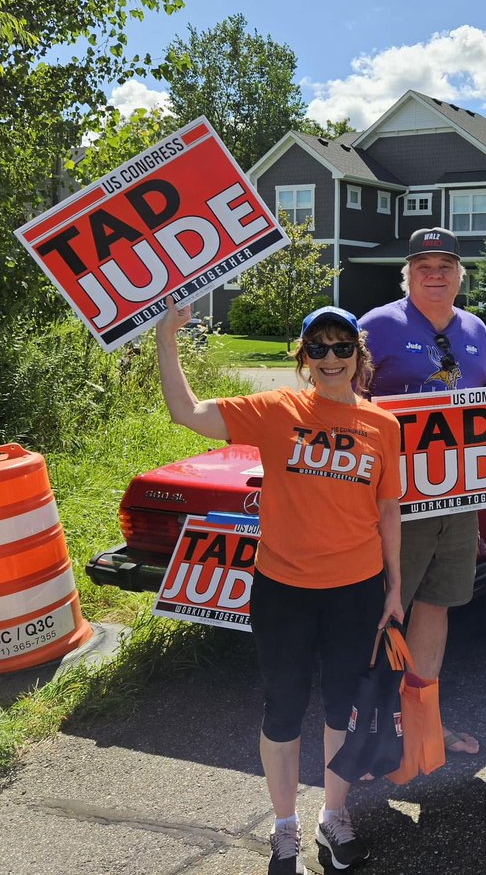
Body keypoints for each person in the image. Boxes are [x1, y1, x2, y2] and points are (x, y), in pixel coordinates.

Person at [155, 300, 403, 872]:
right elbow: (187, 412)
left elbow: (387, 509)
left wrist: (394, 587)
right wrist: (167, 338)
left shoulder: (382, 425)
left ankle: (334, 816)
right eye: (318, 347)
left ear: (358, 356)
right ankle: (285, 823)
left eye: (343, 346)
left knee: (343, 709)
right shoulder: (275, 409)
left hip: (356, 590)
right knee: (283, 709)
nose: (331, 357)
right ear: (303, 357)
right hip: (283, 588)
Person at [359, 226, 486, 758]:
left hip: (459, 502)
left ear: (460, 274)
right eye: (423, 265)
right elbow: (339, 403)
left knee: (436, 606)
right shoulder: (375, 326)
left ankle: (423, 721)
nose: (435, 274)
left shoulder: (476, 329)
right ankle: (368, 730)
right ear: (408, 273)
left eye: (445, 266)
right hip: (393, 504)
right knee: (383, 612)